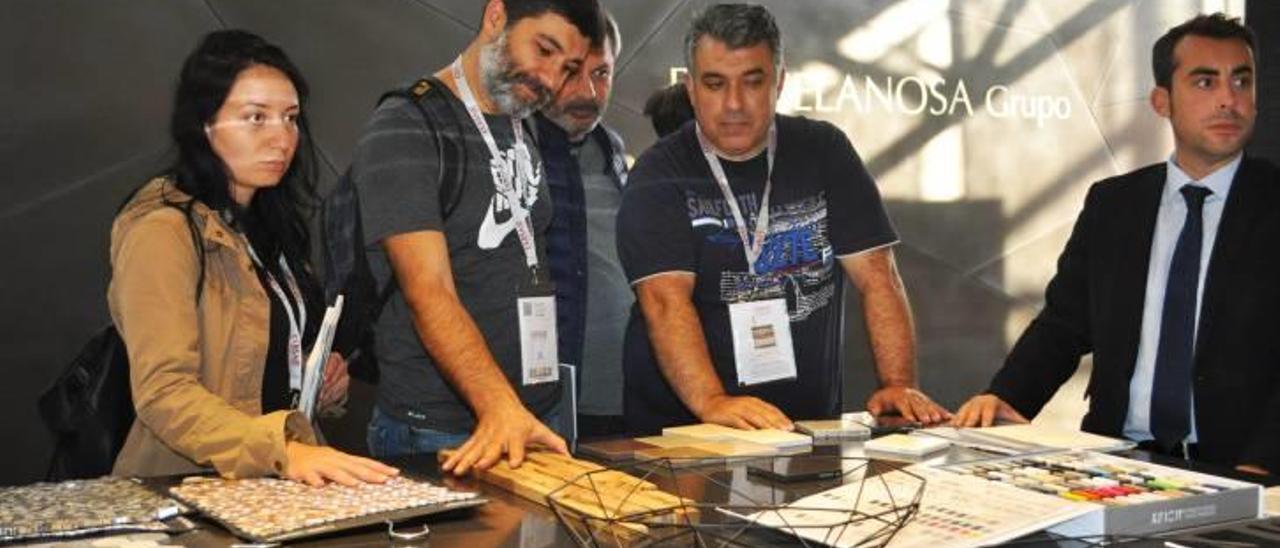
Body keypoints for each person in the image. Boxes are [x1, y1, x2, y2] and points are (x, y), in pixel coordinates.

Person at [953, 13, 1280, 475]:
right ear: (1161, 100)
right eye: (1205, 82)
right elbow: (1063, 325)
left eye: (1241, 82)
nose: (1229, 99)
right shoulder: (1113, 203)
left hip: (1244, 471)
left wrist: (1262, 467)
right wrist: (1006, 398)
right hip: (1117, 462)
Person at [617, 4, 949, 435]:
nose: (734, 104)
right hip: (687, 434)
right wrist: (713, 402)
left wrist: (899, 384)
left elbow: (878, 277)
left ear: (779, 82)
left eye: (752, 82)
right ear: (691, 89)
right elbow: (664, 302)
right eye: (715, 84)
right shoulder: (658, 172)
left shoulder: (824, 152)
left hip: (807, 431)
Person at [109, 30, 398, 485]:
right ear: (204, 124)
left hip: (276, 487)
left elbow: (263, 362)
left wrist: (320, 382)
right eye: (255, 118)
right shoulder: (162, 230)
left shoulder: (269, 226)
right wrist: (281, 450)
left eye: (290, 118)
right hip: (185, 488)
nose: (282, 138)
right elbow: (164, 393)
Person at [350, 0, 604, 475]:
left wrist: (521, 410)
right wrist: (499, 406)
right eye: (543, 50)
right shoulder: (405, 126)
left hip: (532, 415)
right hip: (443, 428)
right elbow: (429, 291)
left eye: (566, 67)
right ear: (495, 18)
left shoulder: (519, 124)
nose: (550, 79)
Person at [528, 12, 631, 439]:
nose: (589, 92)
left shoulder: (611, 146)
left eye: (601, 73)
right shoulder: (507, 145)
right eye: (572, 72)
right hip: (540, 405)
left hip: (623, 397)